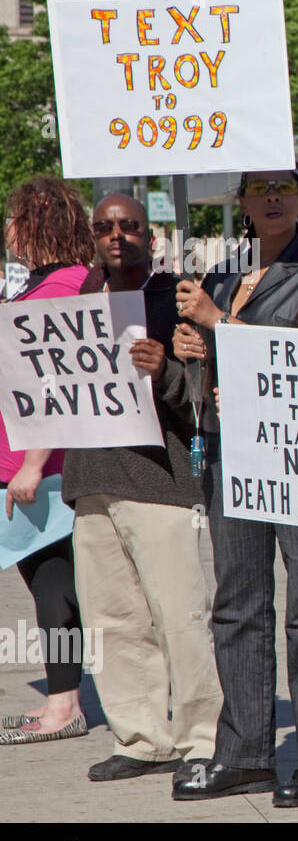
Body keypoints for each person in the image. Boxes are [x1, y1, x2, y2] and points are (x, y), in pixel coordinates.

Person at [170, 165, 298, 807]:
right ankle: (246, 751)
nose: (272, 197)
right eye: (260, 188)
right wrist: (192, 347)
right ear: (243, 202)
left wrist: (218, 322)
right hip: (231, 455)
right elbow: (220, 355)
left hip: (297, 458)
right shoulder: (226, 271)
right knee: (238, 603)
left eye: (284, 186)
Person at [52, 193, 224, 778]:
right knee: (113, 618)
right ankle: (140, 737)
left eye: (128, 226)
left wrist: (166, 372)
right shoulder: (79, 298)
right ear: (92, 236)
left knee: (178, 614)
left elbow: (204, 393)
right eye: (104, 227)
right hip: (92, 479)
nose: (116, 235)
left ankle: (202, 737)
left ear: (150, 234)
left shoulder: (176, 295)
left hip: (160, 477)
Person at [0, 177, 95, 746]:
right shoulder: (62, 283)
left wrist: (33, 463)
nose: (8, 231)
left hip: (43, 468)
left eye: (14, 219)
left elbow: (57, 380)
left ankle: (64, 706)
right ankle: (65, 701)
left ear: (34, 225)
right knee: (51, 586)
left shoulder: (61, 288)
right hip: (32, 462)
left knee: (54, 588)